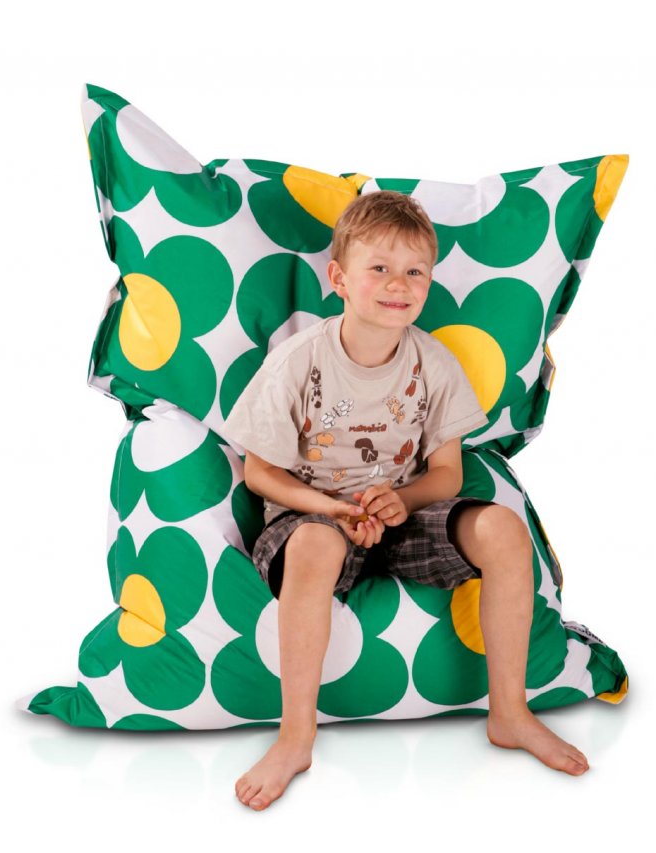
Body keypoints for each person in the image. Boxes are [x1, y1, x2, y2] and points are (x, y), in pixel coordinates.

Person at [222, 191, 589, 812]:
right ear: (339, 278)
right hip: (314, 517)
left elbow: (446, 474)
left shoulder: (433, 364)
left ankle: (511, 712)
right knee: (312, 546)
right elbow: (259, 472)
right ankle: (295, 738)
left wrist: (401, 498)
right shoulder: (299, 361)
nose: (399, 284)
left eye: (415, 271)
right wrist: (330, 509)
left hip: (401, 515)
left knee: (503, 527)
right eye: (380, 268)